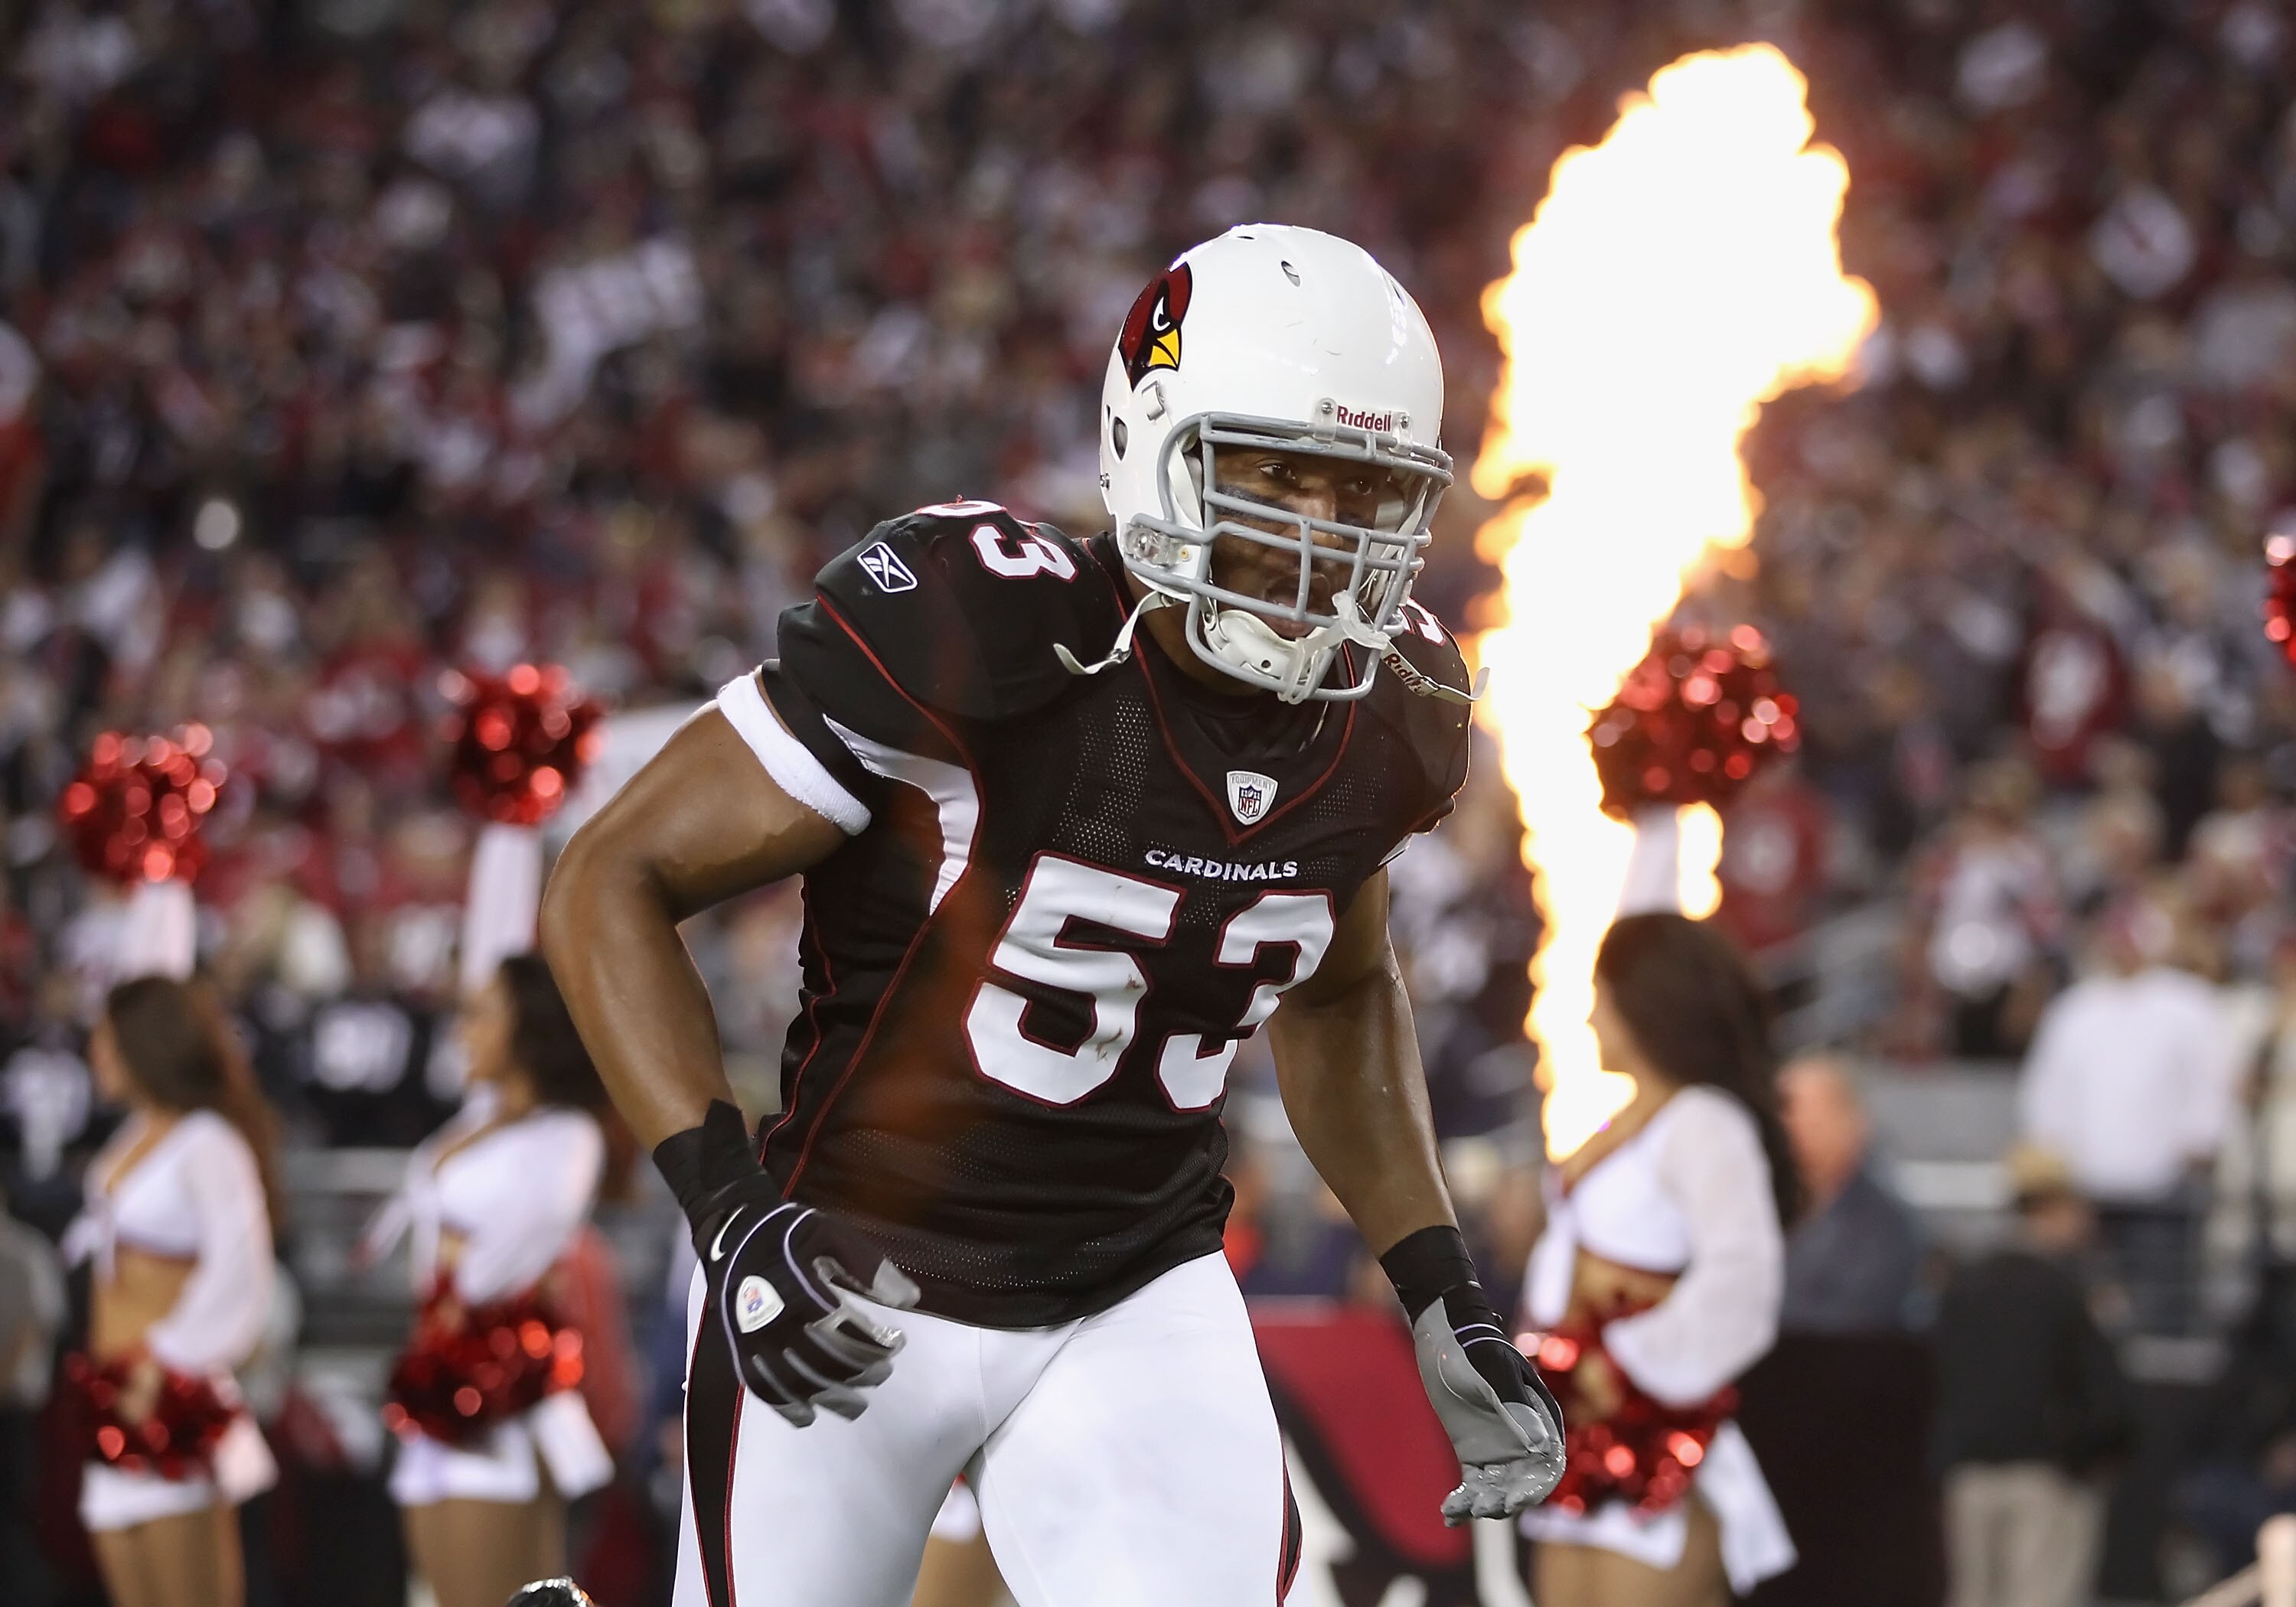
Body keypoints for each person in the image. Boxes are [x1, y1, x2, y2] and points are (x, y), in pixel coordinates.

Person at [540, 223, 1565, 1607]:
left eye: (1359, 493)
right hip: (855, 1274)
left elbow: (1336, 984)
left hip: (1137, 1286)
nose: (1318, 540)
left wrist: (1439, 1280)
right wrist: (732, 1223)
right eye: (1273, 475)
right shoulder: (989, 629)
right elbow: (609, 873)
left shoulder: (1391, 719)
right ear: (1155, 442)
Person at [1519, 913, 1800, 1605]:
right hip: (1579, 1435)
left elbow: (1745, 1275)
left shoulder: (1705, 1122)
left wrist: (1630, 1368)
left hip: (1654, 1443)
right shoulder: (1624, 1118)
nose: (1587, 1018)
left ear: (1647, 1003)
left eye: (1602, 997)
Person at [375, 954, 615, 1607]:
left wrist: (456, 1297)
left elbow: (495, 1269)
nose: (461, 1032)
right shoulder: (473, 1124)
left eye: (481, 1016)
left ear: (529, 1028)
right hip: (434, 1386)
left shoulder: (568, 1135)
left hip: (498, 1398)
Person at [60, 976, 282, 1607]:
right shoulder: (130, 1139)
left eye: (106, 1040)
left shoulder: (209, 1143)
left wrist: (166, 1361)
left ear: (144, 1042)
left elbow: (242, 1269)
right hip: (113, 1397)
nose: (95, 1055)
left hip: (167, 1403)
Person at [2019, 893, 2240, 1332]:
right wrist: (2055, 1166)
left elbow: (2213, 1083)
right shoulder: (2076, 1009)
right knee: (2084, 1307)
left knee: (2162, 1305)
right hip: (2086, 1188)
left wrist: (2199, 1146)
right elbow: (2046, 1092)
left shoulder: (2187, 1003)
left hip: (2163, 1189)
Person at [1932, 1146, 2131, 1607]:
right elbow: (2102, 1393)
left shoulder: (1966, 1285)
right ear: (2054, 1207)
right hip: (2047, 1480)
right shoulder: (2065, 1289)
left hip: (1970, 1475)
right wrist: (2092, 1453)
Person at [1776, 1054, 1924, 1333]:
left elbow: (1855, 1320)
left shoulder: (1886, 1226)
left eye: (1814, 1119)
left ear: (1853, 1121)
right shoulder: (1758, 1205)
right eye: (1787, 1114)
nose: (1796, 1128)